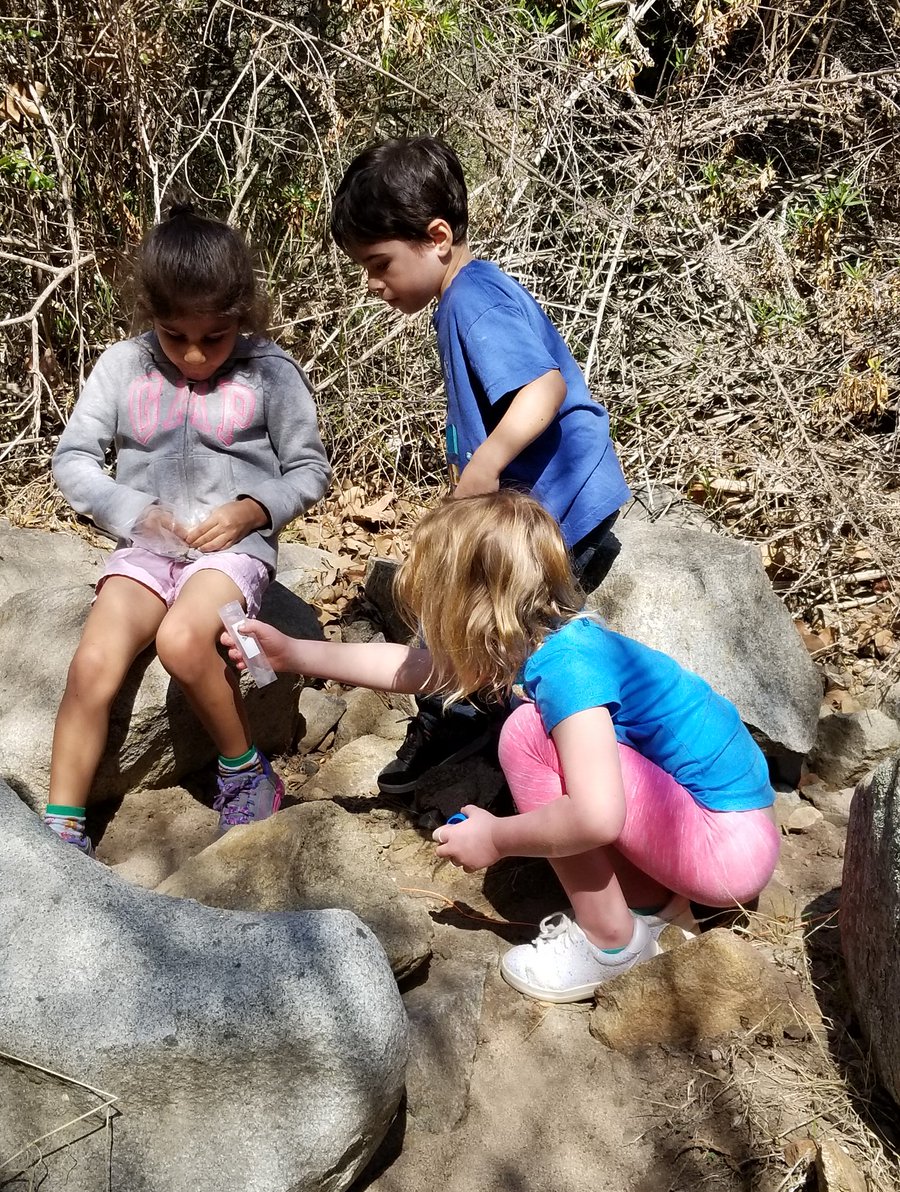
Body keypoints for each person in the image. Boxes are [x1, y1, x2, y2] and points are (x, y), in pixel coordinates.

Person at [221, 492, 780, 1003]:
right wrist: (293, 652)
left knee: (528, 736)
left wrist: (496, 838)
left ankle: (611, 942)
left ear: (475, 608)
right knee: (544, 736)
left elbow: (598, 815)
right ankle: (656, 907)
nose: (428, 628)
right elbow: (416, 668)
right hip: (718, 827)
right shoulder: (552, 641)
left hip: (721, 846)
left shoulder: (566, 671)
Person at [330, 135, 631, 795]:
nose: (372, 284)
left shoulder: (473, 296)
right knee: (463, 597)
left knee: (485, 618)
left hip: (556, 500)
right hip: (541, 499)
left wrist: (487, 463)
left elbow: (543, 389)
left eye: (379, 263)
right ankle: (461, 714)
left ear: (436, 237)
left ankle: (466, 722)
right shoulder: (463, 295)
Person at [46, 203, 331, 854]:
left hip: (230, 553)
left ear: (242, 316)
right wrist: (131, 512)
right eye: (175, 337)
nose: (196, 354)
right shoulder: (122, 366)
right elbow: (75, 459)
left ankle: (243, 769)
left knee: (181, 640)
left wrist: (252, 509)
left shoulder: (271, 371)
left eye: (215, 337)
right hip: (147, 548)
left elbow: (310, 470)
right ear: (151, 316)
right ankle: (60, 829)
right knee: (92, 664)